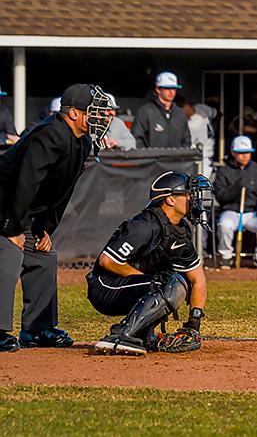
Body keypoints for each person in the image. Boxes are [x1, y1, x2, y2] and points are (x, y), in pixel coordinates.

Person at [0, 84, 112, 352]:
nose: (99, 118)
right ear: (72, 113)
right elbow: (25, 182)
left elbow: (63, 189)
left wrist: (43, 228)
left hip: (18, 206)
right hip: (5, 203)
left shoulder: (82, 141)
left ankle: (38, 328)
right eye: (91, 111)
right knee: (8, 255)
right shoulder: (50, 134)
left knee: (43, 257)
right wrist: (12, 227)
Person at [88, 171, 211, 355]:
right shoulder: (145, 225)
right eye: (188, 193)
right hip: (106, 287)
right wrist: (148, 281)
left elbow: (197, 280)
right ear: (170, 200)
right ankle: (122, 335)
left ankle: (145, 336)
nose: (193, 198)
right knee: (166, 283)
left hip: (136, 286)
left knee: (178, 281)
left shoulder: (180, 231)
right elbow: (108, 261)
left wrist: (194, 324)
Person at [214, 136, 257, 270]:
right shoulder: (224, 171)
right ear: (233, 152)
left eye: (247, 152)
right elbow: (220, 196)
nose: (244, 156)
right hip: (232, 212)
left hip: (253, 213)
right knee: (224, 225)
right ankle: (226, 257)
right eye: (241, 153)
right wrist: (235, 189)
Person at [132, 71, 191, 148]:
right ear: (158, 89)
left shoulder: (180, 113)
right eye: (167, 88)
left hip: (176, 159)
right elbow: (136, 139)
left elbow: (186, 140)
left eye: (174, 88)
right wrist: (147, 157)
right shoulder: (145, 112)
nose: (171, 92)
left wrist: (182, 157)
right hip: (151, 159)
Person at [188, 103, 217, 179]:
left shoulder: (200, 108)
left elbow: (217, 114)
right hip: (199, 159)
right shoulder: (187, 124)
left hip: (209, 156)